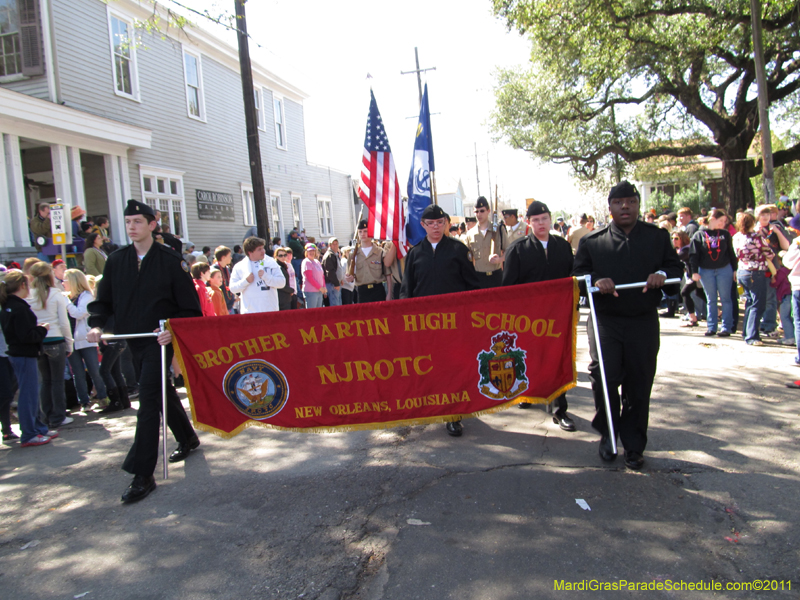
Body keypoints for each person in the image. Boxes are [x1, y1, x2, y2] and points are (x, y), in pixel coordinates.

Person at [87, 200, 203, 503]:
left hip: (160, 340)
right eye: (128, 222)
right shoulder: (116, 260)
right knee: (159, 391)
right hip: (131, 339)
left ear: (152, 225)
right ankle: (187, 437)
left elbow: (191, 308)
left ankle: (142, 474)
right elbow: (104, 301)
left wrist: (174, 330)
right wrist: (97, 324)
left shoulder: (170, 260)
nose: (132, 227)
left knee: (148, 400)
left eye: (138, 221)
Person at [572, 181, 683, 470]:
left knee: (639, 381)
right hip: (606, 321)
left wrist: (661, 273)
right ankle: (608, 436)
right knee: (603, 379)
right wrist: (595, 280)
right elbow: (578, 276)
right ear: (609, 207)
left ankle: (633, 445)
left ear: (638, 205)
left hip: (643, 321)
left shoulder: (657, 237)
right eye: (619, 202)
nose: (625, 207)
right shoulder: (593, 242)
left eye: (631, 201)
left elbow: (675, 269)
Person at [400, 204, 481, 437]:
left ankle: (453, 414)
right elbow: (407, 292)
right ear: (423, 225)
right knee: (429, 367)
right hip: (424, 325)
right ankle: (432, 406)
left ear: (446, 223)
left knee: (452, 367)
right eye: (430, 223)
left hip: (453, 323)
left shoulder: (458, 250)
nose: (436, 227)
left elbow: (472, 287)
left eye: (440, 223)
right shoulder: (415, 254)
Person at [502, 201, 577, 431]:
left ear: (550, 219)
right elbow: (509, 287)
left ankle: (559, 408)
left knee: (558, 359)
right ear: (529, 222)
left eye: (544, 218)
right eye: (535, 220)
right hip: (529, 318)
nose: (541, 223)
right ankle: (527, 394)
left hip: (557, 315)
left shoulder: (563, 247)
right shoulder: (518, 249)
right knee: (529, 357)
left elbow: (571, 280)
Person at [0, 270, 57, 447]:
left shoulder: (9, 306)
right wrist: (43, 329)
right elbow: (27, 335)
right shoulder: (18, 308)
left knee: (31, 393)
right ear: (22, 285)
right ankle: (30, 433)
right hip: (24, 354)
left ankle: (37, 427)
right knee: (29, 395)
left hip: (18, 354)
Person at [27, 261, 74, 429]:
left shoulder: (28, 295)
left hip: (39, 341)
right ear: (50, 276)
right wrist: (69, 343)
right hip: (55, 339)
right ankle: (58, 416)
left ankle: (46, 415)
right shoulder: (56, 294)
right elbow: (64, 322)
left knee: (45, 381)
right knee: (57, 380)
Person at [63, 269, 108, 412]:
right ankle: (84, 401)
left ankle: (102, 397)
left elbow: (79, 313)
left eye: (66, 280)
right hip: (71, 340)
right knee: (77, 373)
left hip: (85, 339)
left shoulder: (86, 296)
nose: (63, 283)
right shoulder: (67, 297)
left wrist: (66, 302)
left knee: (94, 370)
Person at [689, 208, 737, 337]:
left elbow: (731, 253)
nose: (723, 224)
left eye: (725, 221)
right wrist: (694, 272)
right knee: (711, 299)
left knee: (726, 298)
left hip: (724, 269)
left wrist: (735, 269)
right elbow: (693, 255)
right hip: (706, 270)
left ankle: (726, 327)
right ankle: (712, 327)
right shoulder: (699, 235)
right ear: (712, 219)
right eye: (721, 221)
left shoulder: (725, 234)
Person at [733, 212, 774, 346]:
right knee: (758, 304)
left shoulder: (737, 237)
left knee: (750, 302)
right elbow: (769, 253)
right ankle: (752, 336)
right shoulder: (756, 237)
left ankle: (746, 331)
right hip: (755, 272)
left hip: (742, 271)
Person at [229, 236, 285, 314]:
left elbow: (282, 282)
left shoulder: (271, 262)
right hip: (250, 313)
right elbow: (233, 288)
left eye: (263, 248)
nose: (263, 251)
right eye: (259, 249)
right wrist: (245, 281)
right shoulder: (240, 266)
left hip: (270, 311)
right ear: (250, 252)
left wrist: (267, 277)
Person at [345, 220, 395, 303]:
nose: (362, 234)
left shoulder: (380, 252)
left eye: (365, 231)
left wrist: (389, 293)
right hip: (362, 292)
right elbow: (349, 275)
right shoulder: (353, 254)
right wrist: (348, 277)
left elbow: (388, 275)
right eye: (360, 232)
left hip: (378, 290)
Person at [464, 197, 505, 288]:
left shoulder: (499, 230)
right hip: (479, 277)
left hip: (496, 276)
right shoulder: (470, 234)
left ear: (488, 211)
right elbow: (467, 259)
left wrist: (500, 259)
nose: (479, 214)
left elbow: (508, 251)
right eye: (476, 211)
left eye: (482, 211)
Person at [672, 231, 706, 328]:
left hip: (697, 275)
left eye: (676, 238)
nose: (674, 240)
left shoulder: (686, 250)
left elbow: (676, 259)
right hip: (694, 275)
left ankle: (693, 318)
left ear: (683, 239)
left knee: (685, 292)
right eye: (673, 238)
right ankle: (718, 313)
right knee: (700, 294)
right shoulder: (683, 249)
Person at [301, 243, 327, 309]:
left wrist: (324, 287)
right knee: (312, 313)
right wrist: (320, 287)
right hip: (311, 291)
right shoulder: (306, 262)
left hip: (319, 291)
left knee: (318, 312)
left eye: (313, 251)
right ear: (306, 252)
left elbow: (322, 276)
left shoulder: (317, 262)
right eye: (309, 251)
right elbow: (309, 278)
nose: (311, 252)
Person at [211, 246, 236, 313]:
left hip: (230, 305)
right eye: (229, 256)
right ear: (223, 257)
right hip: (221, 306)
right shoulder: (214, 269)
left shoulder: (227, 268)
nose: (231, 258)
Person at [322, 237, 342, 306]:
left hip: (336, 283)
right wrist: (336, 283)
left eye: (336, 244)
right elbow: (330, 272)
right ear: (329, 246)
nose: (335, 246)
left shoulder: (335, 254)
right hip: (332, 284)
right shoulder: (329, 255)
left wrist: (340, 280)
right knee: (335, 305)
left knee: (338, 304)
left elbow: (338, 268)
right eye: (333, 244)